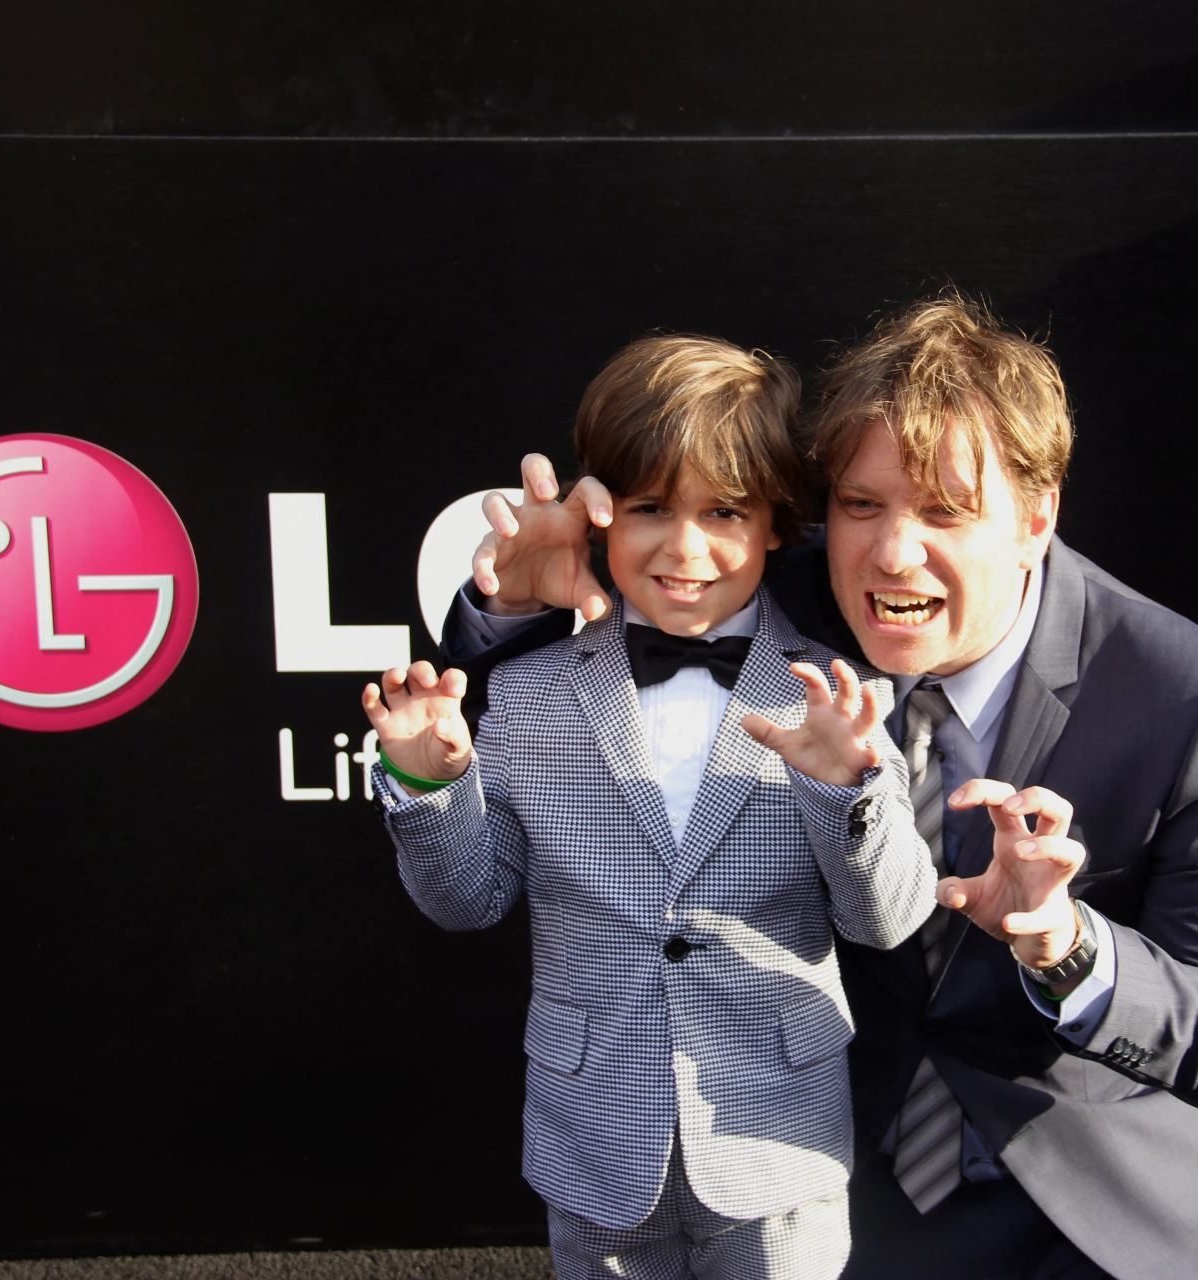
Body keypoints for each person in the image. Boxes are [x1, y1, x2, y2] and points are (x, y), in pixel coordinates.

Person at [446, 296, 1198, 1280]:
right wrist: (516, 600)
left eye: (944, 510)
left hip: (1104, 1212)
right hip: (830, 1195)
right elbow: (582, 684)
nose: (891, 554)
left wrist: (1067, 945)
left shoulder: (1184, 691)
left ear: (1037, 516)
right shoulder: (779, 595)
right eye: (861, 504)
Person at [363, 335, 937, 1280]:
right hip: (592, 1140)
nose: (684, 547)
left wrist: (849, 787)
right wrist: (430, 786)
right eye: (648, 509)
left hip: (777, 1142)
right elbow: (466, 901)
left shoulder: (836, 695)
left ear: (778, 526)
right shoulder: (531, 692)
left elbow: (888, 920)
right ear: (601, 518)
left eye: (725, 511)